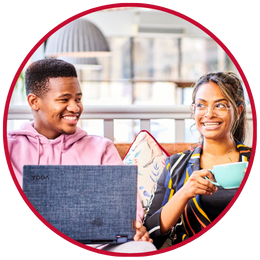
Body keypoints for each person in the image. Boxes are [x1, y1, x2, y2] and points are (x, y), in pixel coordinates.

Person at [8, 58, 156, 253]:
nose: (75, 108)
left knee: (142, 247)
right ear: (34, 102)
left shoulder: (101, 148)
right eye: (64, 99)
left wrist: (134, 227)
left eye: (78, 99)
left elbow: (129, 210)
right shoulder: (9, 149)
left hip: (98, 245)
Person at [143, 72, 251, 249]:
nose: (209, 113)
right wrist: (184, 192)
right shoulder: (175, 166)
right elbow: (150, 232)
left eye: (220, 105)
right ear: (194, 111)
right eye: (201, 105)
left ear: (238, 111)